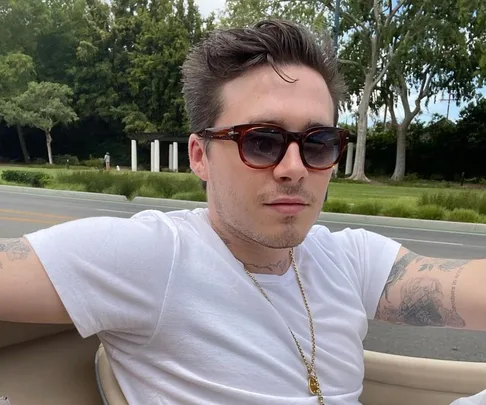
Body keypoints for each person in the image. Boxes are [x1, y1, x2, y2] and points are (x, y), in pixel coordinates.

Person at [0, 20, 485, 405]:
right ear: (198, 156)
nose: (294, 168)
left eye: (318, 144)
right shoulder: (151, 255)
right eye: (262, 141)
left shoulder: (351, 257)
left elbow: (456, 285)